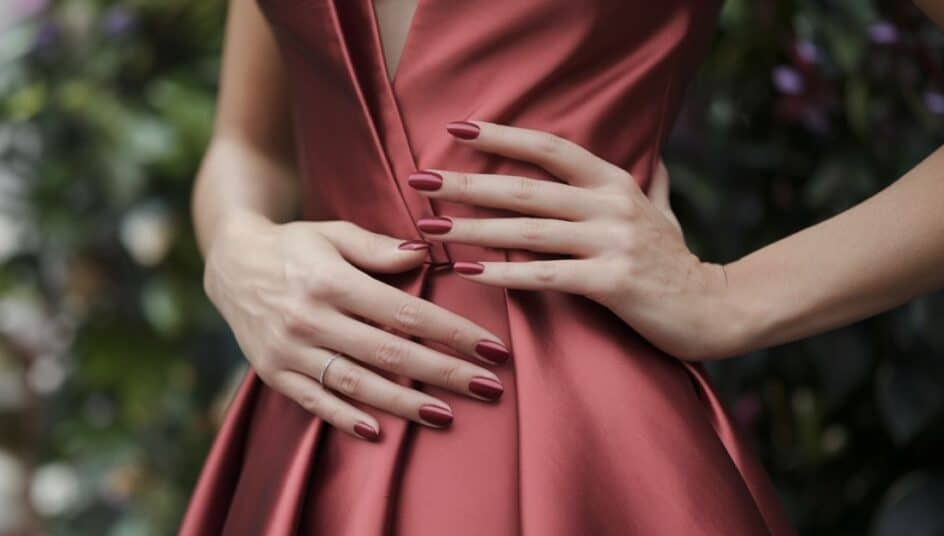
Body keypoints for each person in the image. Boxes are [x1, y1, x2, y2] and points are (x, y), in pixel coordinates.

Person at [180, 0, 944, 534]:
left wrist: (729, 297)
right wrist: (235, 251)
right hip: (315, 407)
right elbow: (250, 147)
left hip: (582, 439)